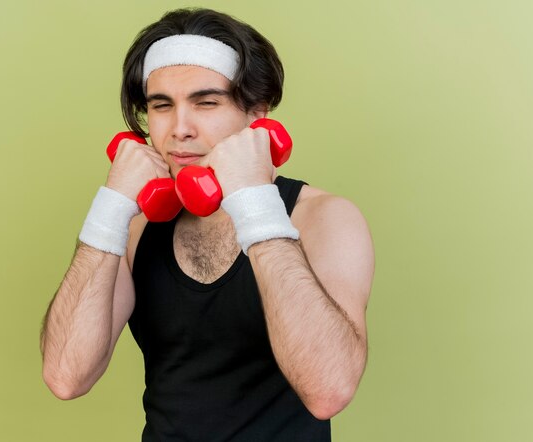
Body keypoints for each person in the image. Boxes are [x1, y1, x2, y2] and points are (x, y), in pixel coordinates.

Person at [40, 8, 375, 441]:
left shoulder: (323, 218)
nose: (180, 129)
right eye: (162, 106)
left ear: (258, 115)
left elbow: (328, 390)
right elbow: (66, 377)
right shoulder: (138, 225)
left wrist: (255, 205)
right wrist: (111, 208)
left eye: (206, 102)